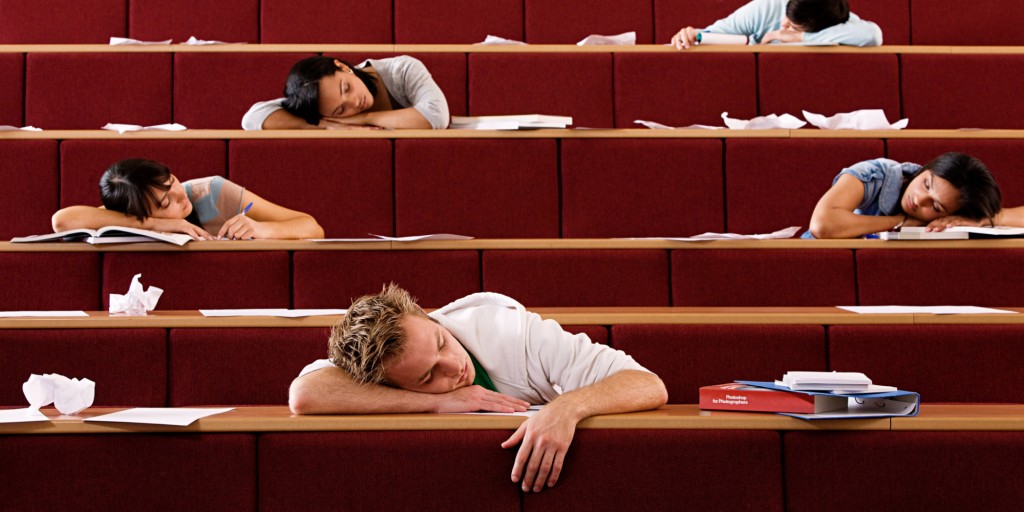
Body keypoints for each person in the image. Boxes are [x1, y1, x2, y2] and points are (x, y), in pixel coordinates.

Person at [289, 284, 668, 493]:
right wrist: (437, 404)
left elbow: (647, 384)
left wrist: (566, 408)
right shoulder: (374, 371)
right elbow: (305, 395)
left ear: (426, 316)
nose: (454, 367)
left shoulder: (511, 331)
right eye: (428, 377)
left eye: (441, 342)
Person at [51, 158, 324, 240]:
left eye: (172, 183)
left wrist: (262, 228)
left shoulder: (211, 191)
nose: (179, 196)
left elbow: (312, 228)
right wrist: (157, 225)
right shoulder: (132, 215)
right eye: (164, 204)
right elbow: (62, 221)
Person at [807, 152, 1011, 239]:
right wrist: (899, 221)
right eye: (925, 184)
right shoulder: (876, 173)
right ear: (926, 168)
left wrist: (982, 220)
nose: (919, 199)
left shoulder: (951, 218)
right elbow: (823, 225)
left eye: (936, 207)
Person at [242, 55, 450, 130]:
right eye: (341, 110)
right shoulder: (317, 104)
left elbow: (436, 116)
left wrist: (361, 119)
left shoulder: (402, 70)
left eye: (346, 88)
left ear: (342, 66)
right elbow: (252, 119)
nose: (354, 101)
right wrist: (326, 125)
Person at [671, 0, 882, 49]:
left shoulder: (834, 15)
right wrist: (692, 34)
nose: (783, 25)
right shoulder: (766, 7)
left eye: (792, 26)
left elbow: (872, 36)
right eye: (786, 18)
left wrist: (798, 38)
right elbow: (713, 34)